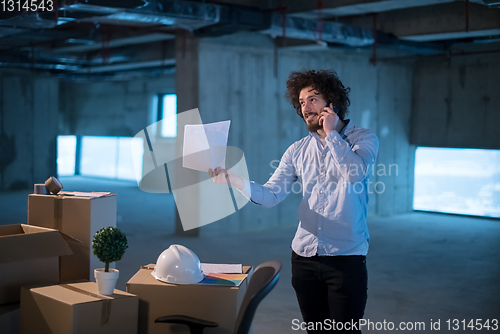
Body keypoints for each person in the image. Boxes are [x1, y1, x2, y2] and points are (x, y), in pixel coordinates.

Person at [209, 69, 379, 333]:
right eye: (301, 103)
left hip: (346, 258)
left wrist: (332, 134)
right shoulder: (297, 150)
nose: (306, 108)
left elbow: (354, 174)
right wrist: (235, 180)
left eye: (312, 99)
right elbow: (271, 195)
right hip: (304, 259)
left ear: (331, 101)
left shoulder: (363, 138)